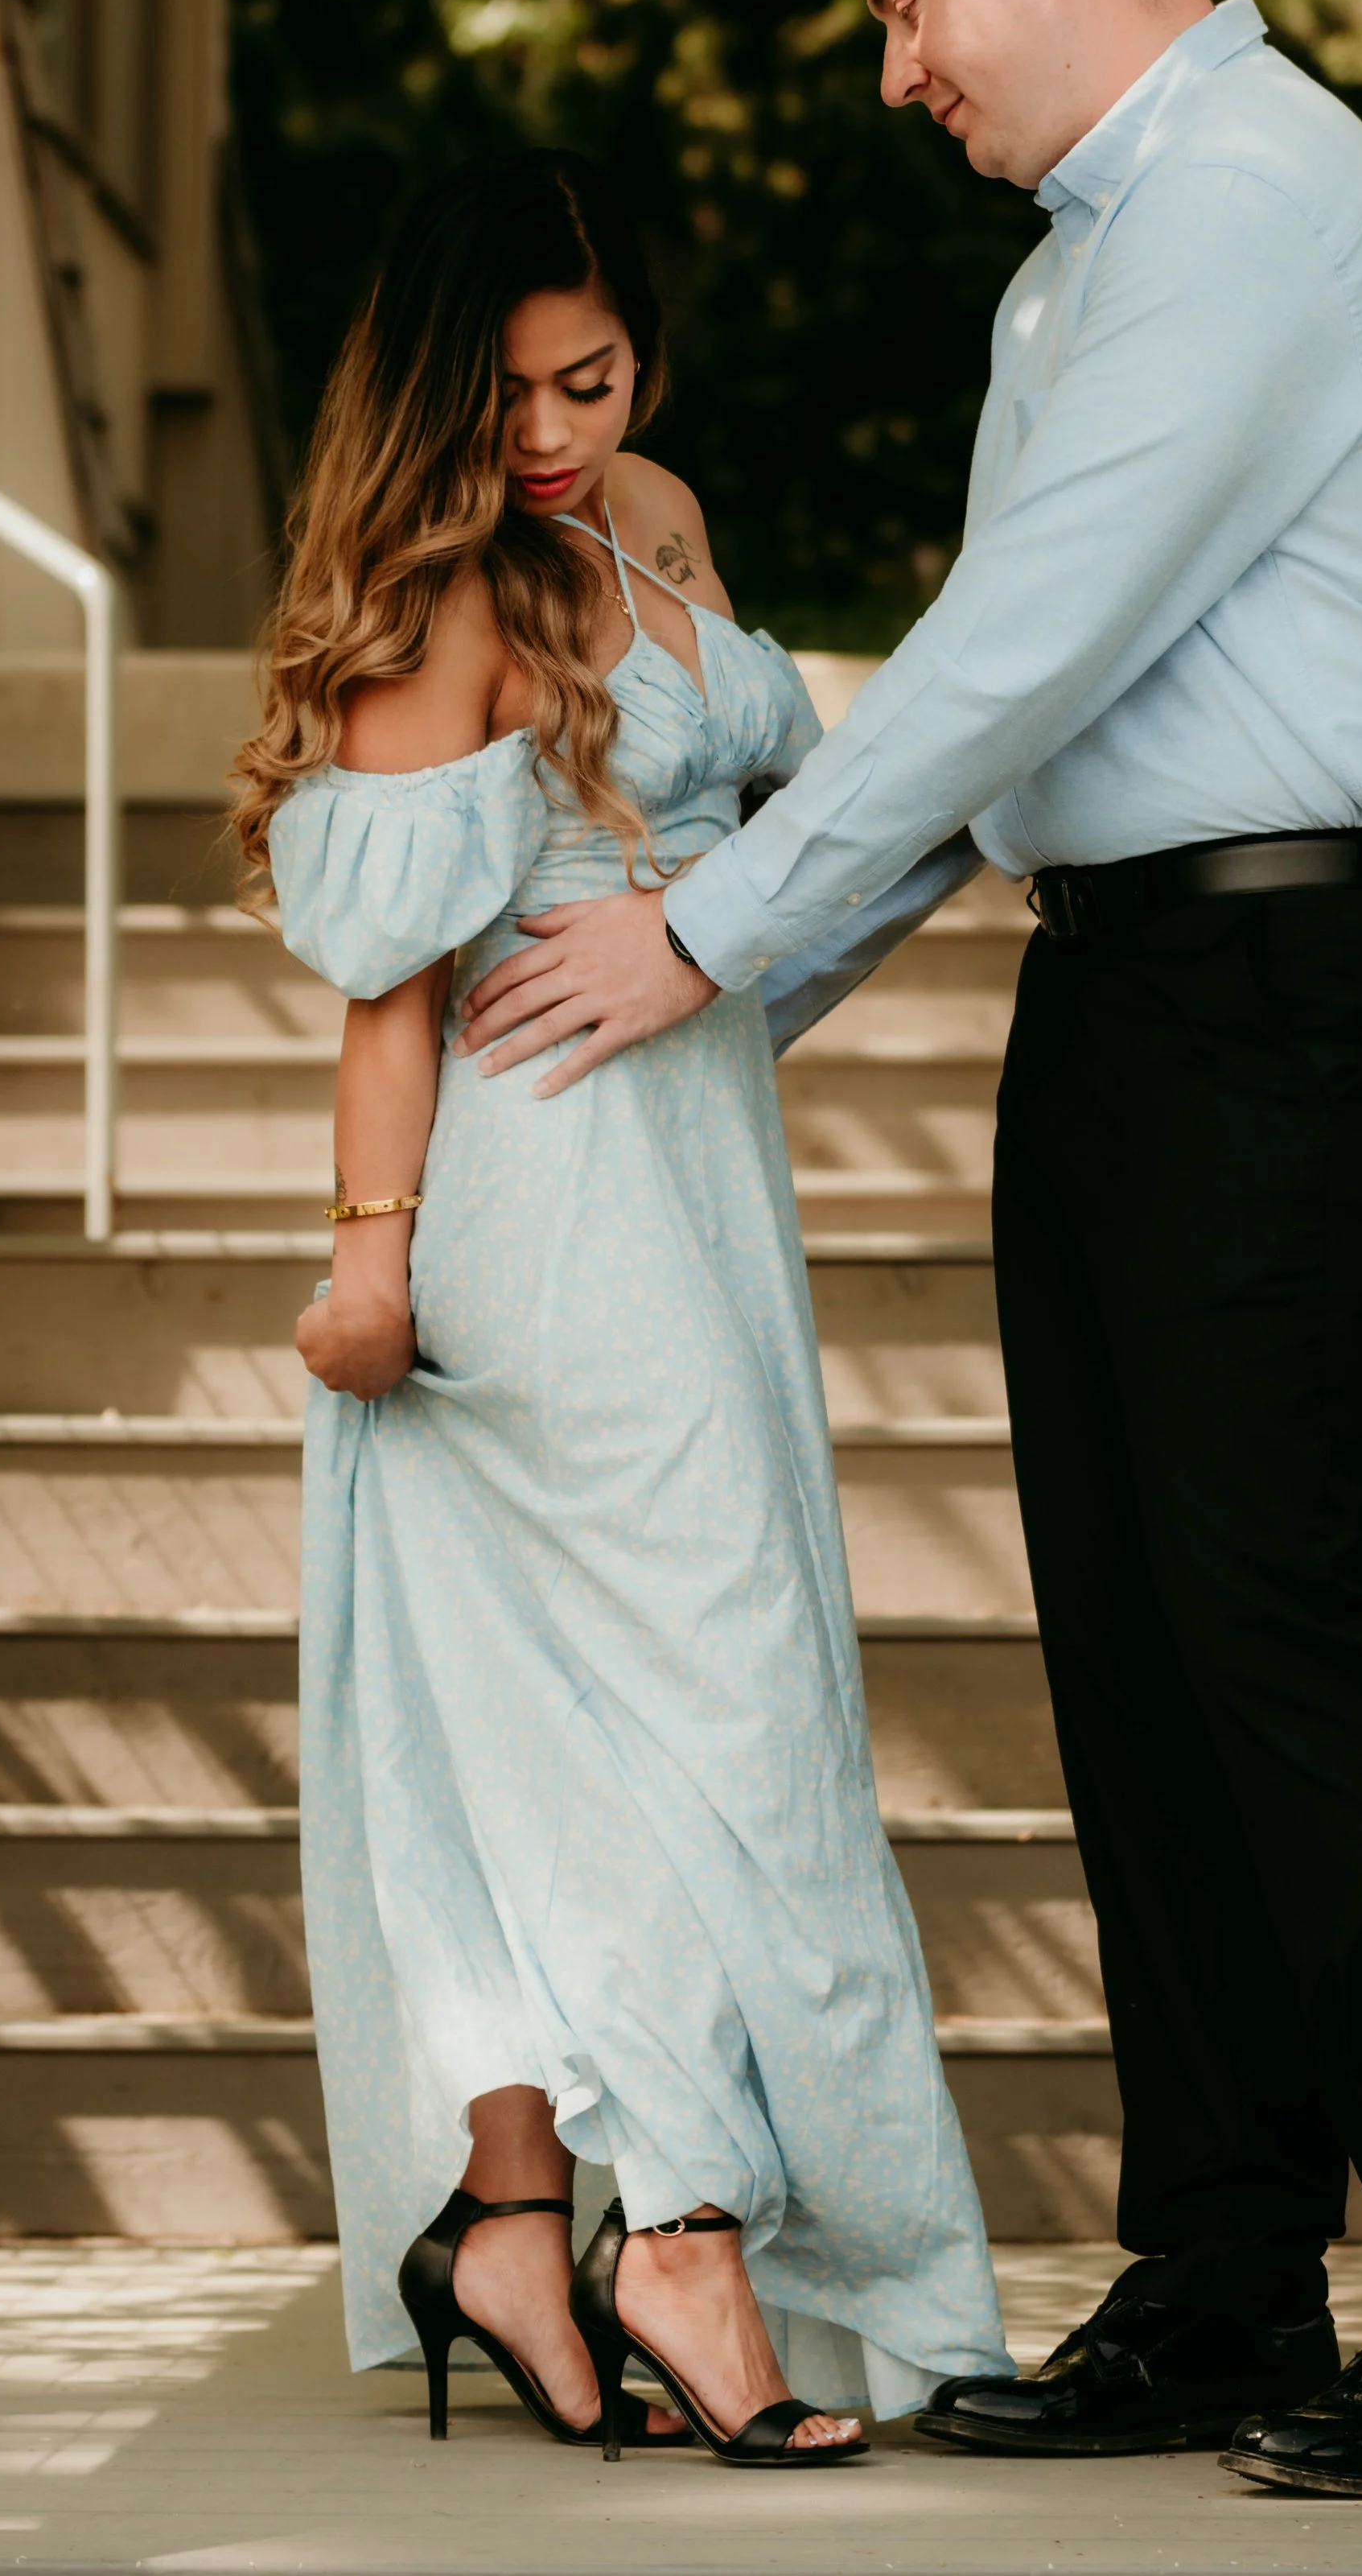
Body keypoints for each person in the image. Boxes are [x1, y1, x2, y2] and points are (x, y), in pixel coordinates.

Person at [451, 0, 1362, 2504]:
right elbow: (1017, 740)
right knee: (1128, 1643)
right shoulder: (1068, 279)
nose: (889, 67)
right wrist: (748, 1005)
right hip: (1123, 989)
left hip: (1297, 976)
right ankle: (1224, 2269)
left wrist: (705, 944)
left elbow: (1009, 652)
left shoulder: (1252, 197)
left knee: (1282, 1628)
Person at [230, 148, 1012, 2471]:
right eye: (509, 394)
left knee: (723, 1689)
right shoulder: (442, 592)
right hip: (530, 1190)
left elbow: (769, 803)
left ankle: (524, 2221)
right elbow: (389, 981)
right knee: (695, 1713)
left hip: (689, 1158)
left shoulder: (644, 513)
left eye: (596, 375)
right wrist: (369, 1247)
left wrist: (722, 939)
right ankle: (674, 2225)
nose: (557, 429)